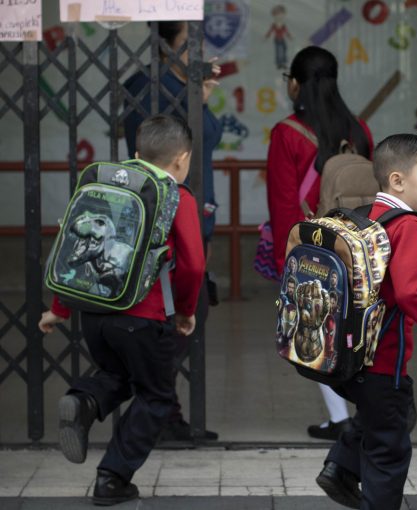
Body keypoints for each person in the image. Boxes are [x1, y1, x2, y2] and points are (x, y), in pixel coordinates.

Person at [39, 114, 206, 506]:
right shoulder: (176, 196)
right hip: (143, 319)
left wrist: (58, 310)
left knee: (117, 373)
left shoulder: (102, 186)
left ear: (136, 153)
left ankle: (84, 401)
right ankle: (112, 477)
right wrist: (184, 311)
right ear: (182, 158)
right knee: (157, 395)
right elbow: (194, 264)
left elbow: (76, 251)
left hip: (95, 314)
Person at [315, 134, 417, 510]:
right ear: (398, 181)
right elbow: (410, 294)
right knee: (389, 450)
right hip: (384, 359)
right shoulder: (409, 224)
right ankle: (354, 480)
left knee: (389, 413)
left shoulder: (367, 215)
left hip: (351, 356)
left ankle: (340, 467)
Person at [266, 45, 374, 440]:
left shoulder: (287, 134)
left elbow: (282, 205)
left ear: (294, 84)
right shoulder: (360, 130)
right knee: (354, 329)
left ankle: (341, 418)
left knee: (316, 330)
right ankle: (359, 413)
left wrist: (286, 261)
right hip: (358, 246)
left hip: (313, 249)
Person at [123, 20, 222, 442]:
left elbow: (209, 139)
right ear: (166, 48)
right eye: (191, 44)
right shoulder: (143, 86)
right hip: (160, 222)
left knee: (187, 312)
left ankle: (165, 410)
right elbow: (147, 144)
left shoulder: (189, 87)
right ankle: (157, 409)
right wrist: (190, 96)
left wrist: (200, 97)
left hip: (196, 215)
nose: (200, 54)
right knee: (171, 318)